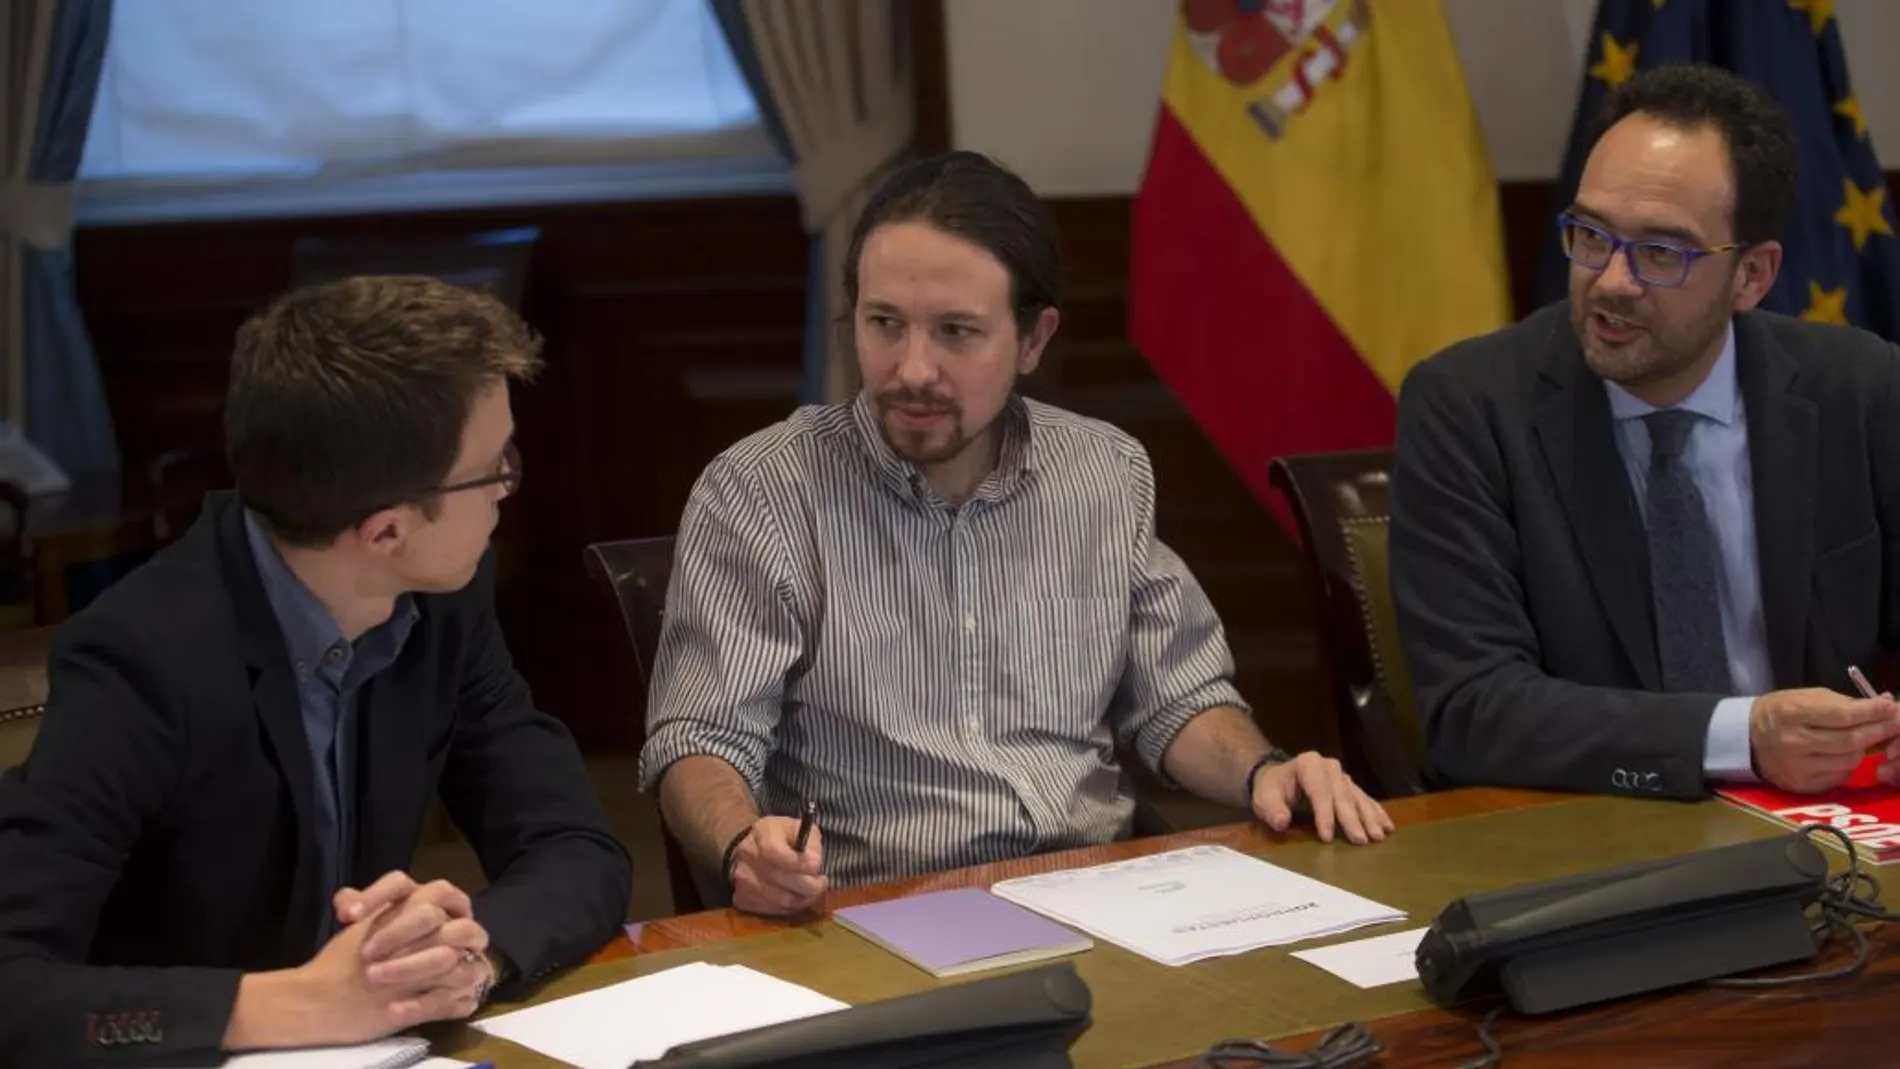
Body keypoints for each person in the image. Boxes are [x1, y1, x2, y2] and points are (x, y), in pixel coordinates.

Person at [639, 150, 1394, 917]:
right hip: (879, 911)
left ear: (1033, 341)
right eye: (884, 325)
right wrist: (746, 847)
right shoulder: (762, 492)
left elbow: (1178, 696)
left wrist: (1263, 769)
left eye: (956, 332)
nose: (913, 369)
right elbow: (699, 736)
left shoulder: (1103, 470)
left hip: (1105, 891)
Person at [0, 276, 632, 1065]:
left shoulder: (442, 601)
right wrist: (288, 1003)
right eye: (491, 466)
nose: (508, 485)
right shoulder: (142, 659)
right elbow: (14, 990)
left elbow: (578, 847)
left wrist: (463, 952)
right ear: (384, 530)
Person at [1390, 64, 1900, 801]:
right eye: (1591, 235)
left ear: (1752, 276)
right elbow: (1472, 710)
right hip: (1593, 841)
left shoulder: (1859, 388)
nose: (1612, 281)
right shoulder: (1469, 407)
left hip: (1823, 829)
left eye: (1662, 252)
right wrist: (1741, 736)